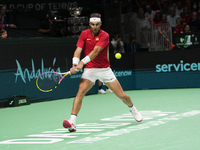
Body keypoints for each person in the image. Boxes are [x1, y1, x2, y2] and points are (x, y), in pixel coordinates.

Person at [63, 13, 143, 132]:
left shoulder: (104, 35)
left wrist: (81, 63)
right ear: (89, 24)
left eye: (97, 24)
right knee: (80, 92)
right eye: (92, 24)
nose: (95, 27)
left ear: (100, 24)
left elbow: (95, 52)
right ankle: (72, 122)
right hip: (89, 70)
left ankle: (133, 109)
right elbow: (78, 50)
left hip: (104, 70)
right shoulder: (84, 34)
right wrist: (75, 64)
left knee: (122, 96)